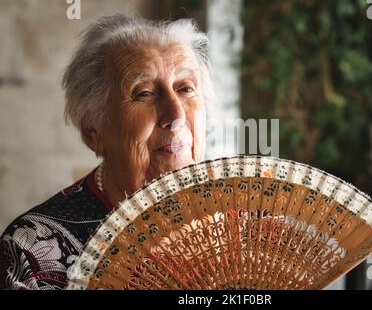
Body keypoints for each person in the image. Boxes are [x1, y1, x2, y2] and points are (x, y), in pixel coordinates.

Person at [0, 14, 214, 289]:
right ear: (94, 130)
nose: (175, 115)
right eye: (144, 93)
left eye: (186, 89)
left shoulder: (254, 226)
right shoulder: (32, 252)